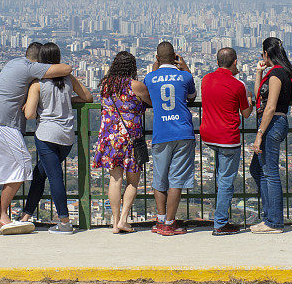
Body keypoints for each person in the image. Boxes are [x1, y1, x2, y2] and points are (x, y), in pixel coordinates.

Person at [0, 42, 72, 236]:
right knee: (23, 166)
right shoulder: (30, 67)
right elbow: (67, 68)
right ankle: (2, 214)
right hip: (2, 122)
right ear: (39, 61)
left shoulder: (13, 63)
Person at [19, 43, 93, 234]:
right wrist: (68, 100)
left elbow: (29, 114)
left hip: (46, 136)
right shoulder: (68, 79)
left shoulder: (38, 84)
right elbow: (87, 97)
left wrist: (29, 105)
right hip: (66, 138)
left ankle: (65, 221)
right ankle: (26, 214)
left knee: (54, 178)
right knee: (40, 174)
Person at [92, 51, 152, 233]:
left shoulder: (105, 85)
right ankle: (124, 220)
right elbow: (151, 102)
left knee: (114, 180)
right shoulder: (136, 86)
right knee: (132, 181)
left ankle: (115, 221)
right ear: (132, 67)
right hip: (130, 139)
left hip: (109, 138)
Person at [143, 41, 197, 236]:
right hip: (183, 132)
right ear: (175, 56)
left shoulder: (150, 78)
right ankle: (170, 222)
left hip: (161, 132)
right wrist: (184, 66)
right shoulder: (184, 76)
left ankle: (160, 219)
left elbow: (149, 92)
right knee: (176, 180)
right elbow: (192, 96)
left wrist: (156, 67)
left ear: (157, 58)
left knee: (159, 178)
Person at [201, 47, 253, 235]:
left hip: (208, 136)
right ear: (235, 62)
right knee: (225, 182)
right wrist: (250, 99)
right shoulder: (238, 85)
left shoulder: (205, 79)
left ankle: (220, 220)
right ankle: (220, 223)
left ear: (217, 62)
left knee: (220, 178)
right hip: (228, 139)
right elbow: (246, 114)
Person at [249, 37, 292, 234]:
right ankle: (269, 216)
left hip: (273, 123)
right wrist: (259, 73)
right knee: (257, 169)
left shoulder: (277, 74)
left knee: (270, 172)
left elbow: (269, 106)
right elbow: (260, 95)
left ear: (267, 54)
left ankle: (274, 221)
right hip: (272, 123)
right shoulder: (277, 73)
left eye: (263, 54)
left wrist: (260, 134)